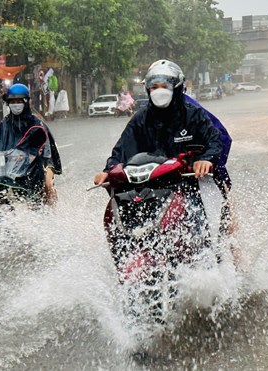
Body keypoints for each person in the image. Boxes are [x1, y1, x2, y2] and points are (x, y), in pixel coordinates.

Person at [93, 59, 238, 259]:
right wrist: (108, 171)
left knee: (209, 223)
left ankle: (217, 262)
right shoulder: (141, 119)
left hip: (190, 181)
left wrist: (205, 159)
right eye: (154, 87)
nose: (159, 91)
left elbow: (215, 141)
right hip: (152, 184)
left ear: (176, 87)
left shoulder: (193, 114)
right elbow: (121, 151)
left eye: (164, 86)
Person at [0, 83, 62, 206]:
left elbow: (45, 148)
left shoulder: (36, 124)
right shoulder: (5, 123)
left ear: (26, 102)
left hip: (41, 160)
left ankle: (51, 212)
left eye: (18, 101)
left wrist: (40, 161)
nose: (15, 104)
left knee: (47, 183)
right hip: (13, 162)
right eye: (12, 101)